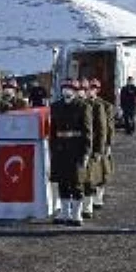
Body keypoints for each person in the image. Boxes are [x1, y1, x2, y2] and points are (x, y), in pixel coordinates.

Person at [49, 78, 93, 226]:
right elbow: (53, 131)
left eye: (69, 89)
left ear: (75, 91)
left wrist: (86, 152)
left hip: (76, 148)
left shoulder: (83, 106)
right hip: (60, 149)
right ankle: (65, 212)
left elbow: (88, 132)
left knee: (76, 182)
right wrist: (52, 149)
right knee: (62, 181)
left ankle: (76, 213)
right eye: (64, 88)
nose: (66, 91)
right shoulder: (55, 106)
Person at [82, 78, 114, 217]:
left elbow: (108, 127)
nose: (90, 90)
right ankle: (88, 202)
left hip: (99, 142)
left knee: (102, 172)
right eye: (88, 87)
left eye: (93, 88)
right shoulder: (82, 104)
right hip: (88, 143)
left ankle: (97, 197)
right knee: (89, 173)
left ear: (97, 90)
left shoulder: (105, 105)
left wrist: (107, 144)